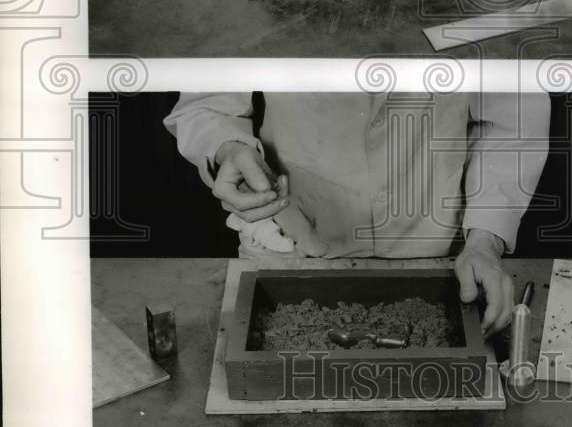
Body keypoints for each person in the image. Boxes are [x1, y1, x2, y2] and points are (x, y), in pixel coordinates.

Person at [164, 91, 551, 337]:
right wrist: (227, 147)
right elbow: (207, 103)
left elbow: (513, 117)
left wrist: (485, 239)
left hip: (439, 246)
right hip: (291, 238)